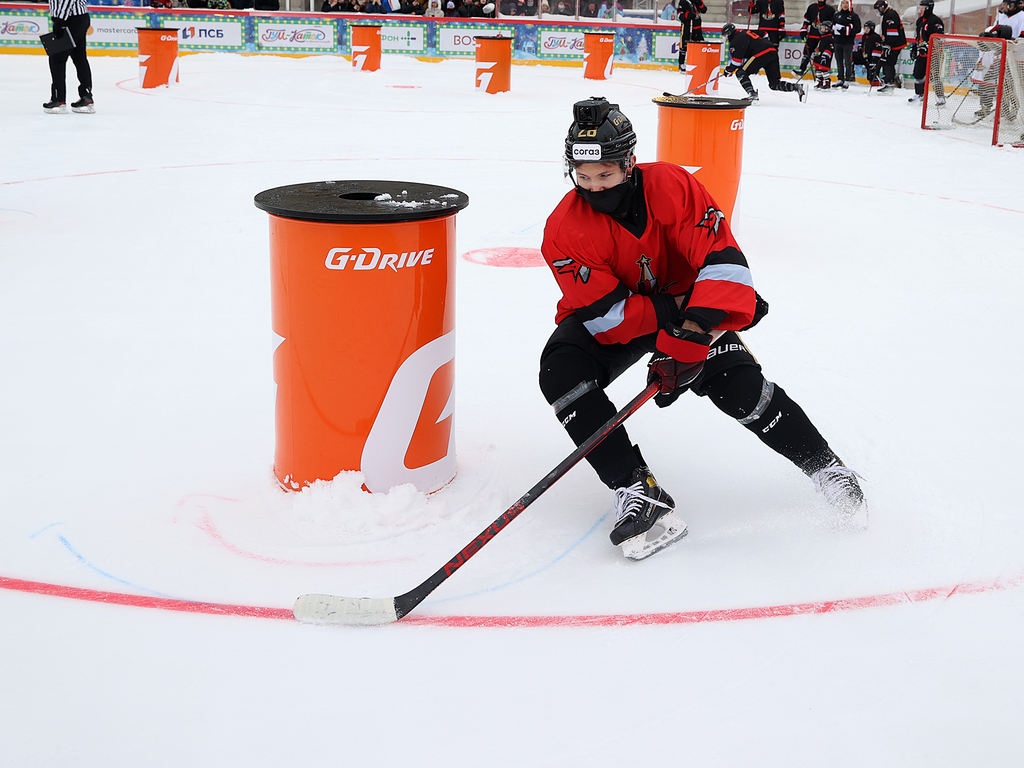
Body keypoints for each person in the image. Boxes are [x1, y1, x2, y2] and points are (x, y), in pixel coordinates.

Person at [538, 97, 867, 561]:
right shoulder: (564, 228)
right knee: (560, 372)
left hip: (694, 307)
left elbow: (721, 259)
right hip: (663, 307)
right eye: (583, 176)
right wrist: (680, 311)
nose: (594, 187)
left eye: (605, 175)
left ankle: (826, 468)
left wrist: (693, 335)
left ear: (629, 164)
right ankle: (637, 489)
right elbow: (608, 320)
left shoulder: (673, 185)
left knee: (740, 387)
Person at [722, 22, 808, 102]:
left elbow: (736, 63)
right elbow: (764, 33)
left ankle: (752, 95)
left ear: (729, 34)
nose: (725, 38)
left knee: (741, 72)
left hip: (760, 53)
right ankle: (797, 87)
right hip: (772, 51)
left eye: (725, 36)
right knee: (774, 84)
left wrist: (728, 70)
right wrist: (764, 43)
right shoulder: (745, 32)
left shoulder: (735, 41)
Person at [43, 0, 93, 114]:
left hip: (70, 20)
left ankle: (59, 99)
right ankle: (86, 97)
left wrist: (60, 20)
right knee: (79, 57)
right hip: (77, 18)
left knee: (57, 58)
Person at [794, 0, 836, 89]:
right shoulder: (812, 7)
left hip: (824, 37)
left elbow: (833, 23)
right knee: (807, 51)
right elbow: (806, 20)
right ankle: (802, 69)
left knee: (821, 57)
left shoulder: (830, 10)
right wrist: (804, 30)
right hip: (812, 35)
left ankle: (825, 79)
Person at [909, 0, 944, 103]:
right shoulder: (919, 20)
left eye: (923, 7)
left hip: (934, 54)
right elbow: (917, 36)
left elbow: (939, 39)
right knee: (918, 73)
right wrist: (914, 47)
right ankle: (919, 93)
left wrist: (929, 46)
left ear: (928, 8)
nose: (921, 9)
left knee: (934, 76)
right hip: (921, 53)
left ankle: (941, 98)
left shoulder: (935, 21)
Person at [874, 0, 907, 92]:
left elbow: (892, 32)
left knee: (888, 62)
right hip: (894, 43)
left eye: (878, 9)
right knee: (889, 62)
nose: (878, 12)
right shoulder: (889, 13)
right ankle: (889, 81)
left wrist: (888, 44)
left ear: (882, 8)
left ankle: (889, 82)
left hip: (895, 44)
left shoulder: (890, 15)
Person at [831, 0, 861, 88]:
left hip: (847, 42)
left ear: (850, 4)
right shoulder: (836, 15)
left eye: (847, 3)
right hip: (837, 42)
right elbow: (832, 26)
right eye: (843, 3)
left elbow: (858, 28)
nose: (845, 5)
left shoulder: (854, 16)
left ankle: (847, 79)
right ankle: (840, 79)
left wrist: (847, 30)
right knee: (838, 61)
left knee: (848, 61)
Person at [676, 0, 707, 72]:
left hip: (696, 26)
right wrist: (687, 15)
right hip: (686, 26)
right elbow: (680, 15)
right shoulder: (683, 1)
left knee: (698, 45)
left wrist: (699, 2)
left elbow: (704, 10)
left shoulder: (697, 1)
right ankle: (681, 64)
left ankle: (698, 63)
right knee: (684, 45)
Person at [857, 19, 884, 85]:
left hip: (872, 59)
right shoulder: (864, 36)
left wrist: (874, 61)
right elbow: (864, 46)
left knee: (872, 75)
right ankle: (850, 76)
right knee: (851, 57)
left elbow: (878, 49)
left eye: (868, 28)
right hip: (865, 57)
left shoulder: (876, 37)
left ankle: (878, 84)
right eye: (865, 28)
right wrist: (860, 47)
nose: (866, 30)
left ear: (872, 28)